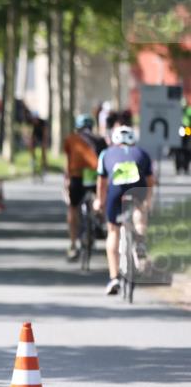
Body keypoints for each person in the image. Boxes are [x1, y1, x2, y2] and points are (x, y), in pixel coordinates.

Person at [93, 125, 154, 296]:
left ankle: (114, 278)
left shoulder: (106, 153)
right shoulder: (142, 153)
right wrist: (148, 202)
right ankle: (140, 242)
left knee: (113, 231)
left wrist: (100, 201)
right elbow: (150, 181)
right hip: (138, 186)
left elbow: (102, 183)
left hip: (116, 188)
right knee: (139, 213)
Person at [63, 114, 107, 261]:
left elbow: (67, 161)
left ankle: (73, 244)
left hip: (77, 175)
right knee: (101, 198)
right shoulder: (100, 140)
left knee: (73, 207)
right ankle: (100, 221)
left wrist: (66, 180)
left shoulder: (71, 139)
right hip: (95, 175)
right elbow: (105, 161)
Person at [29, 113, 49, 179]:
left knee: (43, 149)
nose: (34, 121)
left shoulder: (43, 123)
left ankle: (44, 165)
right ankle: (33, 159)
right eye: (33, 119)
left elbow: (45, 134)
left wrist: (44, 143)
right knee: (31, 144)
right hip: (36, 136)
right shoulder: (33, 124)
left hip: (42, 137)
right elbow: (32, 134)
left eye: (35, 119)